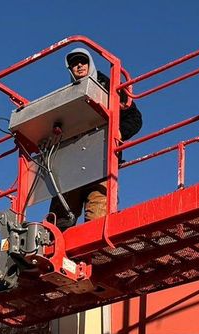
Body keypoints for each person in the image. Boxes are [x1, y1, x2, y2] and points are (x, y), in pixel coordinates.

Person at [50, 49, 143, 224]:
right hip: (71, 165)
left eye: (82, 61)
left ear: (90, 64)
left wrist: (116, 133)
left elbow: (134, 118)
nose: (79, 65)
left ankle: (94, 250)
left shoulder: (109, 86)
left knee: (99, 219)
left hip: (101, 162)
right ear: (69, 68)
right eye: (74, 63)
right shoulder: (66, 96)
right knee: (59, 221)